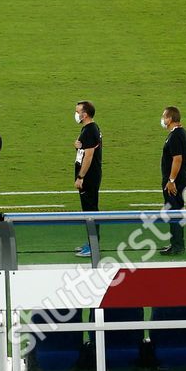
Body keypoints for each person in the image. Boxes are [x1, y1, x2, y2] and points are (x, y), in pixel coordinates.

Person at [73, 101, 103, 257]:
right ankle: (91, 242)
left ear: (85, 114)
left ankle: (93, 246)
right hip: (90, 176)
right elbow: (85, 150)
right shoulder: (89, 129)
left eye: (77, 111)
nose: (76, 114)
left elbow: (89, 156)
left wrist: (80, 177)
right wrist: (78, 146)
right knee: (88, 210)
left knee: (90, 210)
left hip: (88, 177)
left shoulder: (90, 130)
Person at [159, 106, 186, 256]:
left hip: (175, 182)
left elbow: (177, 159)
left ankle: (177, 245)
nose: (163, 119)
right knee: (175, 211)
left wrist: (171, 180)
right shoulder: (179, 133)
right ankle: (176, 243)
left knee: (174, 212)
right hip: (179, 180)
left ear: (170, 119)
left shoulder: (176, 135)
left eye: (164, 116)